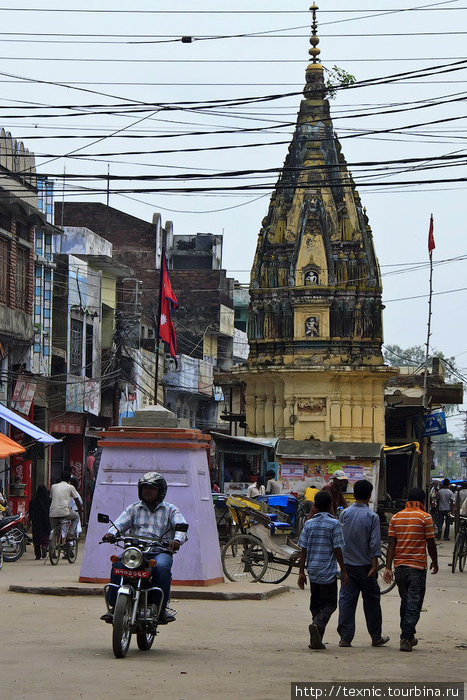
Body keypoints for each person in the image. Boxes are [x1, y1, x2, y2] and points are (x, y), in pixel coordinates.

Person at [102, 471, 188, 624]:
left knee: (162, 567)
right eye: (144, 488)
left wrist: (177, 540)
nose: (147, 491)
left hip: (159, 551)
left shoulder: (170, 510)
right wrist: (111, 533)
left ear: (160, 491)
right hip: (136, 551)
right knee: (118, 563)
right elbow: (120, 524)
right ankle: (114, 606)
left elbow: (181, 527)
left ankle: (160, 608)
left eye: (152, 488)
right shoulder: (134, 508)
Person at [383, 487, 438, 652]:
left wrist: (387, 567)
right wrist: (434, 561)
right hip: (417, 567)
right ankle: (406, 637)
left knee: (405, 602)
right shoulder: (425, 517)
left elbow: (391, 543)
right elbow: (430, 543)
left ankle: (407, 635)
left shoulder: (396, 517)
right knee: (414, 603)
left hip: (400, 567)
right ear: (422, 501)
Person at [337, 479, 389, 648]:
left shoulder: (344, 514)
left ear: (354, 494)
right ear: (369, 495)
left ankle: (345, 637)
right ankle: (376, 637)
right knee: (372, 602)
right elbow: (374, 543)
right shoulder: (371, 516)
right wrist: (375, 565)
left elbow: (340, 539)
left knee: (346, 601)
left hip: (348, 566)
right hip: (366, 566)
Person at [298, 489, 347, 650]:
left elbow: (303, 550)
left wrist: (301, 572)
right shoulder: (334, 524)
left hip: (313, 571)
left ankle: (317, 638)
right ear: (331, 505)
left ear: (315, 505)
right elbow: (338, 549)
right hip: (328, 573)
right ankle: (317, 625)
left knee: (316, 605)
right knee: (330, 604)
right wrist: (344, 571)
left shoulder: (309, 524)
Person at [49, 471, 82, 541]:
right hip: (65, 512)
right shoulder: (71, 487)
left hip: (52, 512)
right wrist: (80, 509)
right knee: (76, 517)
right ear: (69, 480)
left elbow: (51, 498)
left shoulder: (53, 486)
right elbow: (77, 500)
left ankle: (52, 543)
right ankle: (70, 534)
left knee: (53, 528)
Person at [28, 485, 51, 559]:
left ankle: (38, 555)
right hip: (46, 521)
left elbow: (30, 512)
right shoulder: (49, 501)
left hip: (36, 522)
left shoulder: (32, 501)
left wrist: (31, 520)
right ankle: (45, 546)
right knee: (45, 536)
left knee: (36, 539)